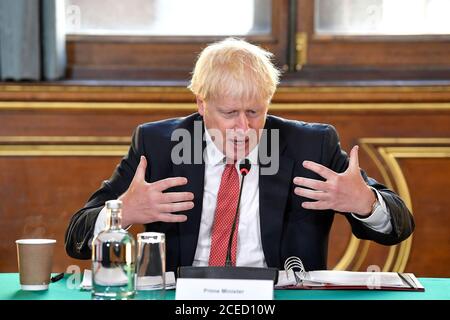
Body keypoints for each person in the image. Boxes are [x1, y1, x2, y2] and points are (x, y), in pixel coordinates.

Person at [65, 38, 414, 272]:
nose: (243, 128)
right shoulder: (158, 144)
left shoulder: (312, 145)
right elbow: (76, 239)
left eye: (254, 112)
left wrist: (366, 202)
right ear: (201, 104)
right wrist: (123, 212)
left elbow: (398, 227)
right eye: (230, 113)